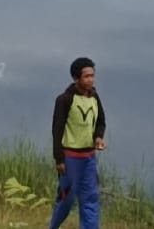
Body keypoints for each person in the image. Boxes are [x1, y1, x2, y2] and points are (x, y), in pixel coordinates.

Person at [49, 56, 105, 229]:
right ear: (76, 78)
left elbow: (101, 121)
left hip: (88, 158)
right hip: (70, 158)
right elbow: (57, 130)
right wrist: (59, 159)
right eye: (86, 76)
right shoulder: (65, 99)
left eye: (92, 75)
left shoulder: (94, 97)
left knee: (90, 198)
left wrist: (98, 137)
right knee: (67, 197)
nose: (90, 79)